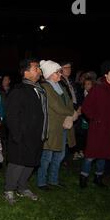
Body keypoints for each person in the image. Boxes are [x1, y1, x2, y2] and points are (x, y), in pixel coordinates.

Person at [3, 58, 48, 204]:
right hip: (22, 135)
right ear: (26, 72)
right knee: (17, 163)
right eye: (36, 68)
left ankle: (22, 187)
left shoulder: (39, 89)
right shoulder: (19, 90)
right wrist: (17, 135)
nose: (39, 71)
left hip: (36, 134)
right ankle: (9, 189)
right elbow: (11, 115)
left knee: (30, 162)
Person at [79, 61, 110, 188]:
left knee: (104, 153)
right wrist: (95, 118)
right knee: (91, 154)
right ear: (106, 74)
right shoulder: (98, 89)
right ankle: (84, 177)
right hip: (98, 128)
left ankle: (98, 177)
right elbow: (86, 107)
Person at [37, 60, 77, 190]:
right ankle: (42, 182)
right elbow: (56, 106)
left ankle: (53, 180)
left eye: (60, 72)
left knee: (59, 155)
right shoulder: (44, 87)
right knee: (47, 156)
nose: (60, 75)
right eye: (57, 72)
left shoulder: (60, 86)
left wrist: (71, 113)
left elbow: (69, 101)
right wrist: (73, 113)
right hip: (52, 127)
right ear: (49, 74)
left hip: (63, 125)